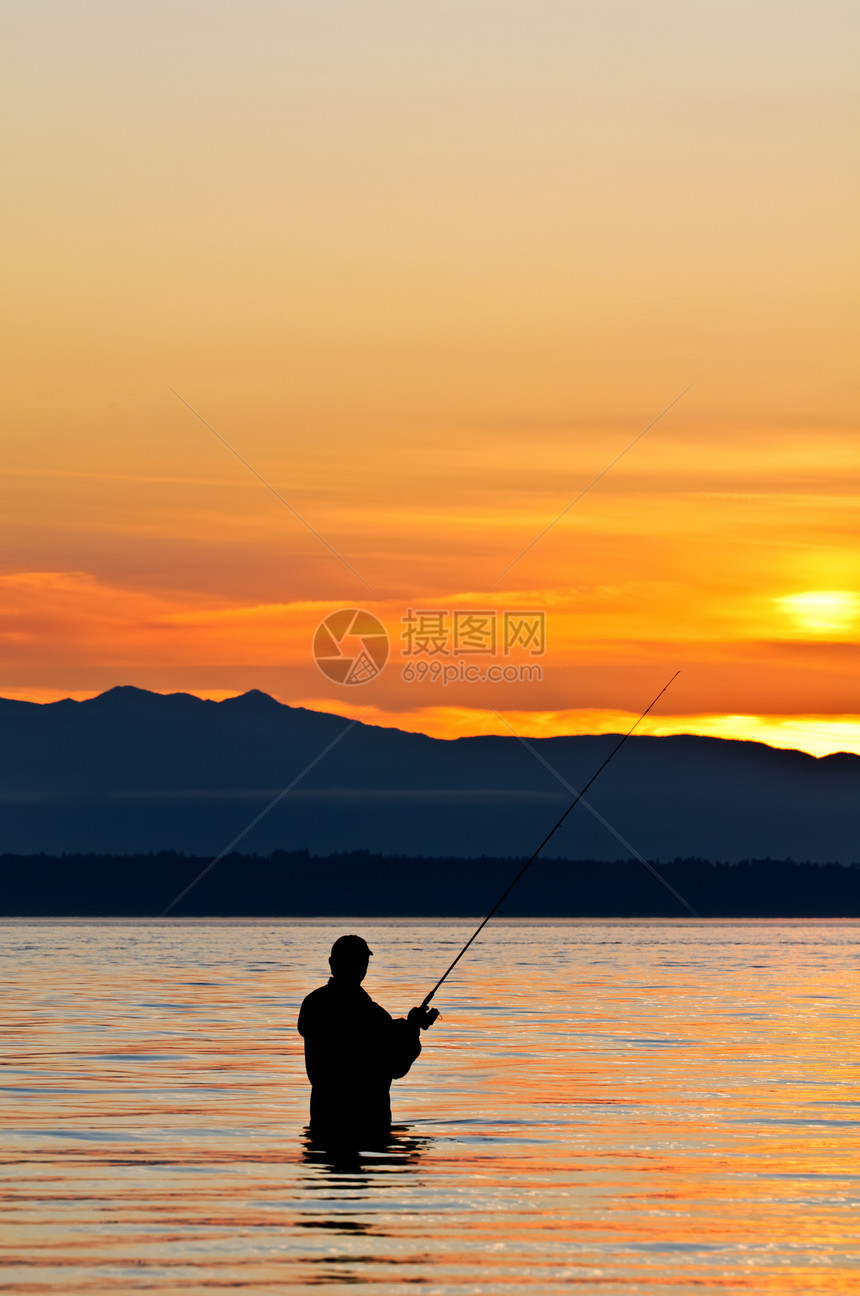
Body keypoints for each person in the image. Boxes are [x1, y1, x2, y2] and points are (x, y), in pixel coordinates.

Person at [297, 934, 438, 1145]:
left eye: (363, 961)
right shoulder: (372, 1014)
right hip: (369, 1121)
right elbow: (396, 1067)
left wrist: (409, 1027)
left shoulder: (313, 1003)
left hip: (324, 1119)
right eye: (358, 960)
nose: (361, 966)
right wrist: (411, 1030)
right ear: (333, 963)